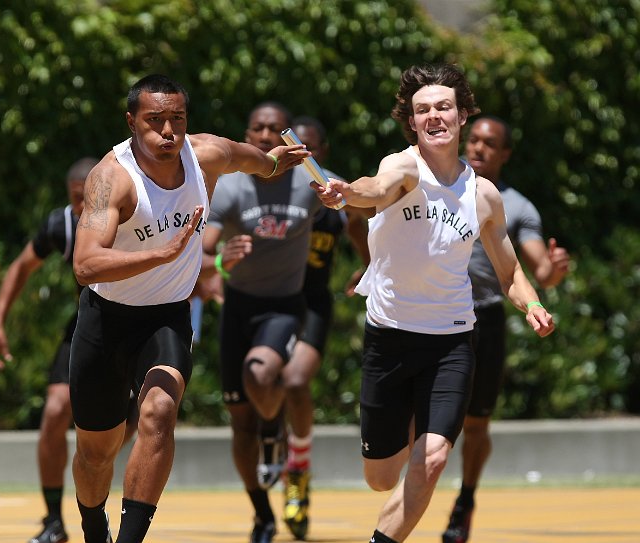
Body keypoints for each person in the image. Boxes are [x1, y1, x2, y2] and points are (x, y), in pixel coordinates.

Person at [313, 63, 556, 543]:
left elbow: (509, 272)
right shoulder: (402, 168)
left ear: (462, 114)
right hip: (390, 339)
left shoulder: (483, 195)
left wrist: (531, 305)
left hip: (452, 341)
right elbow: (373, 188)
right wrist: (346, 194)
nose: (434, 116)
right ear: (412, 121)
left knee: (435, 456)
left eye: (443, 106)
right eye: (422, 110)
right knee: (381, 477)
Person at [69, 75, 307, 543]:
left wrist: (274, 163)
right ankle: (93, 527)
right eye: (154, 121)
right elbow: (85, 263)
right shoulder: (110, 178)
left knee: (159, 413)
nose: (167, 132)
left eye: (176, 120)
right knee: (98, 452)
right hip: (106, 318)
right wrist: (161, 254)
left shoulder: (207, 155)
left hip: (165, 317)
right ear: (131, 122)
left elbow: (254, 160)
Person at [0, 157, 139, 543]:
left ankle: (105, 499)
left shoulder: (135, 213)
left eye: (87, 200)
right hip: (91, 325)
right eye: (77, 201)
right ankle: (54, 519)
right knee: (54, 412)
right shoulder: (62, 225)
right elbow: (21, 266)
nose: (83, 210)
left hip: (141, 324)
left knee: (126, 427)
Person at [201, 102, 327, 543]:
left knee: (261, 373)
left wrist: (369, 262)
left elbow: (359, 211)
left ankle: (275, 431)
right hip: (239, 308)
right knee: (240, 424)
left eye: (276, 128)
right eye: (258, 128)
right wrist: (219, 259)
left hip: (284, 305)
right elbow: (201, 253)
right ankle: (262, 514)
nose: (267, 135)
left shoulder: (309, 180)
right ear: (248, 135)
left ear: (286, 135)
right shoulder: (231, 188)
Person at [442, 115, 570, 543]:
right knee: (416, 418)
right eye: (473, 139)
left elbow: (539, 270)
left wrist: (551, 274)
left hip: (486, 318)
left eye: (490, 143)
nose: (478, 148)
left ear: (505, 153)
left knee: (476, 423)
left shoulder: (516, 206)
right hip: (434, 315)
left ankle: (465, 501)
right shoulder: (438, 186)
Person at [279, 115, 370, 540]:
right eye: (296, 147)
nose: (303, 156)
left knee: (296, 382)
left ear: (322, 153)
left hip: (311, 302)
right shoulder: (268, 186)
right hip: (264, 303)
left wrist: (368, 268)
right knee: (260, 390)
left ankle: (297, 465)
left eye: (310, 149)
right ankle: (271, 444)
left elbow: (359, 229)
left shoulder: (335, 193)